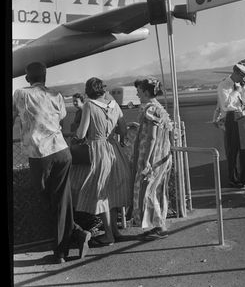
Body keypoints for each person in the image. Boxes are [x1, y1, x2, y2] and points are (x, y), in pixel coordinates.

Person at [12, 62, 91, 264]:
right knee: (60, 200)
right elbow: (61, 119)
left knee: (49, 198)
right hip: (61, 151)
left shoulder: (20, 94)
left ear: (27, 78)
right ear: (45, 77)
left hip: (40, 155)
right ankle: (76, 234)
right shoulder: (56, 95)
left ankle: (61, 252)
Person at [74, 77, 131, 245]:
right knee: (111, 191)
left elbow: (81, 134)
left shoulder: (89, 106)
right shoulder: (114, 105)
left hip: (97, 151)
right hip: (114, 150)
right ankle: (114, 230)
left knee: (101, 194)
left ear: (88, 91)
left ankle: (109, 235)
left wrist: (78, 136)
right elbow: (123, 128)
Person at [131, 78, 173, 240]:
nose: (137, 93)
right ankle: (157, 225)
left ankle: (160, 227)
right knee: (155, 190)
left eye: (139, 91)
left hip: (153, 157)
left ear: (146, 92)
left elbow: (152, 138)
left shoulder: (151, 109)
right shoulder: (158, 108)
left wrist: (146, 161)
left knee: (147, 191)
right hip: (162, 154)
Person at [216, 63, 245, 188]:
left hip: (242, 116)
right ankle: (233, 179)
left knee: (244, 149)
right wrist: (234, 91)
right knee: (233, 149)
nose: (243, 80)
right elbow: (226, 105)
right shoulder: (224, 85)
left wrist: (243, 88)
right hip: (231, 117)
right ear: (236, 73)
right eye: (242, 77)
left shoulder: (240, 84)